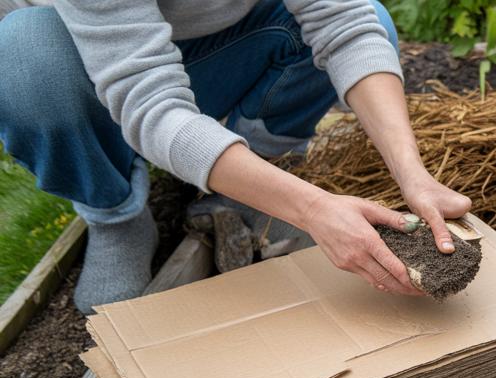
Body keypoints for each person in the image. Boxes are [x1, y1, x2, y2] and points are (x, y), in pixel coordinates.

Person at [0, 0, 471, 313]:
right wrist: (313, 209)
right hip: (85, 68)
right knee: (21, 63)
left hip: (226, 45)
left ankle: (255, 179)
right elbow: (150, 102)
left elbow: (344, 24)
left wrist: (412, 173)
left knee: (373, 15)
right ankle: (114, 213)